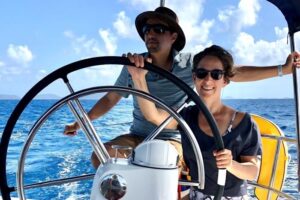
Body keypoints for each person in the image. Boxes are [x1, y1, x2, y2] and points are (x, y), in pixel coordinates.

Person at [64, 6, 300, 169]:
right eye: (147, 30)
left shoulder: (191, 65)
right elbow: (111, 98)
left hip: (173, 137)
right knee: (101, 157)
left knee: (158, 160)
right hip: (137, 136)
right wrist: (82, 121)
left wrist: (282, 69)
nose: (150, 34)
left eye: (158, 29)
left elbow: (233, 72)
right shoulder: (132, 66)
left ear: (173, 36)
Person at [127, 44, 262, 199]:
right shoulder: (187, 116)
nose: (207, 80)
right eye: (201, 73)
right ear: (194, 78)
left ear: (225, 80)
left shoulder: (244, 123)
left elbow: (252, 171)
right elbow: (153, 115)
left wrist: (231, 164)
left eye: (216, 74)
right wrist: (138, 78)